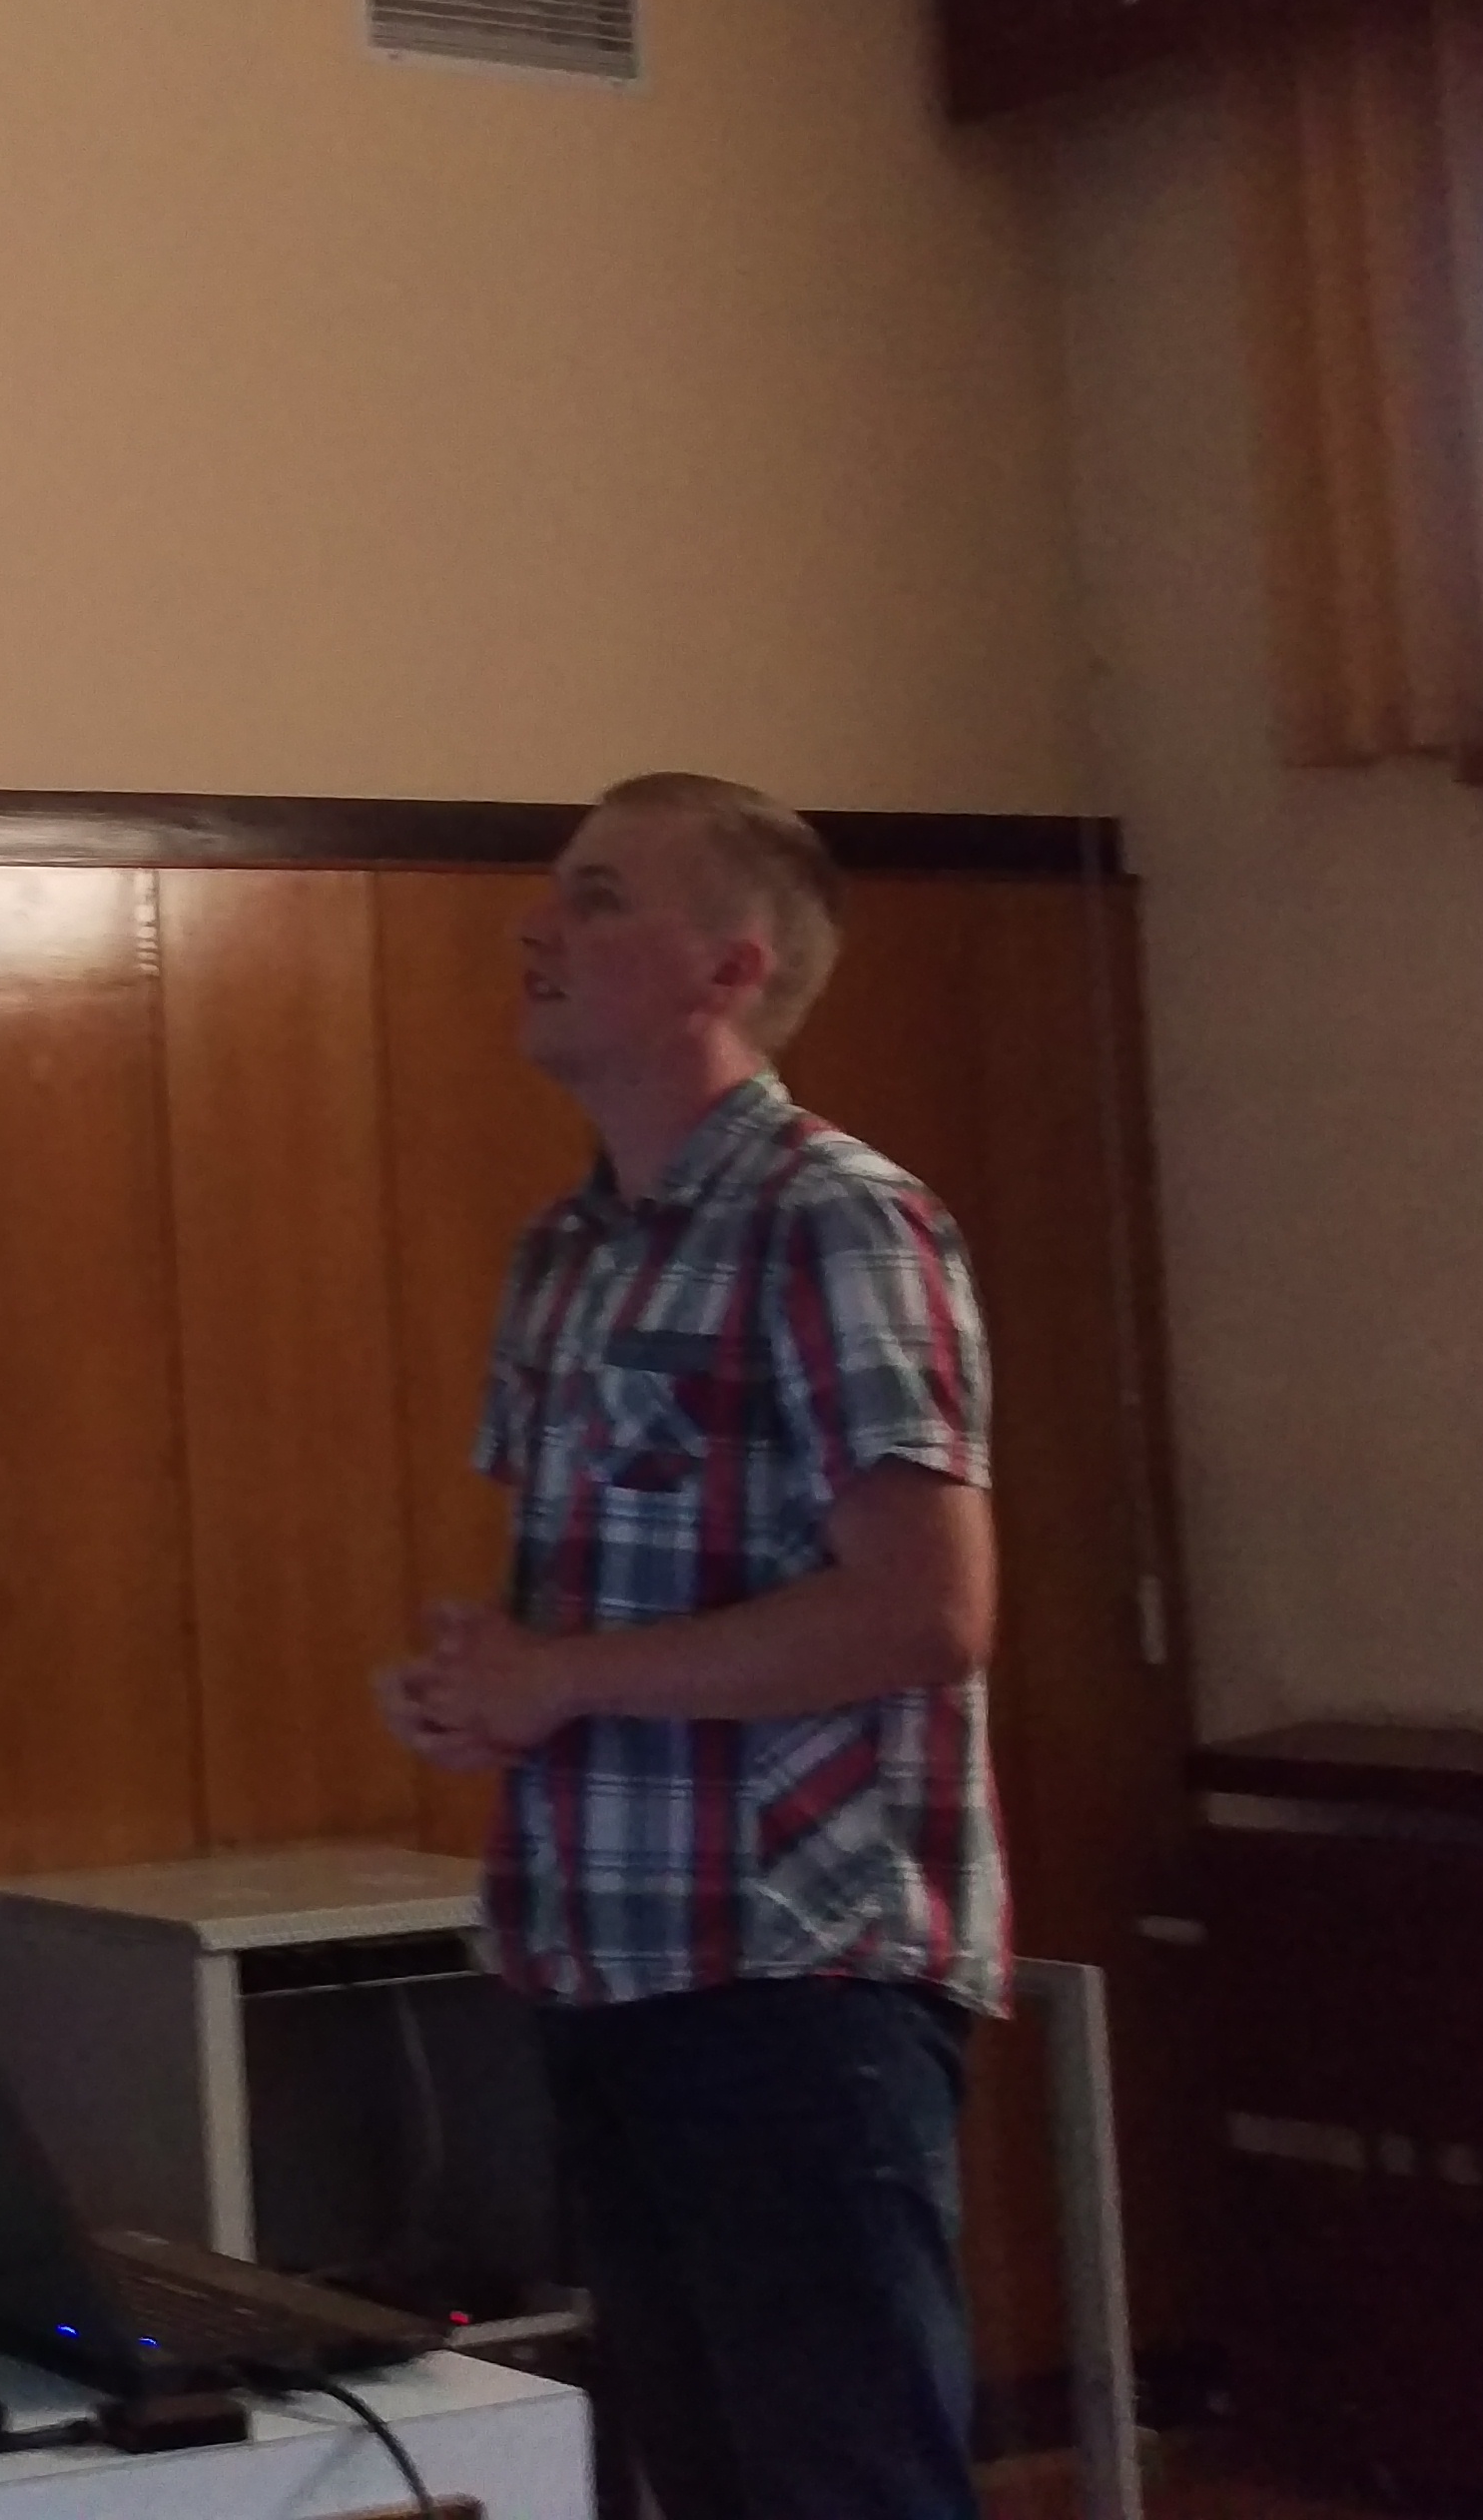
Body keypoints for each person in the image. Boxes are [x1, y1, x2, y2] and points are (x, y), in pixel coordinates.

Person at [375, 772, 1002, 2520]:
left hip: (793, 1990)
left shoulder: (838, 1217)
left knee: (844, 2486)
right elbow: (609, 1624)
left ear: (732, 969)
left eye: (597, 898)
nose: (536, 927)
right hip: (601, 1975)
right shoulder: (563, 1254)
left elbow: (930, 1610)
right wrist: (492, 1694)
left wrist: (563, 1678)